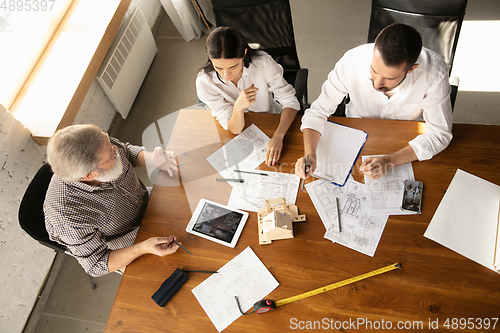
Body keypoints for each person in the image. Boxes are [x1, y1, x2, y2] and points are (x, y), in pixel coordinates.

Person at [295, 23, 453, 180]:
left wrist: (389, 160)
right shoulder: (352, 62)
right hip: (357, 129)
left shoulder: (434, 74)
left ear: (412, 69)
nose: (377, 84)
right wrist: (310, 155)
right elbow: (317, 112)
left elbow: (440, 134)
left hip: (405, 139)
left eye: (389, 78)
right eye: (374, 71)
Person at [44, 124, 181, 277]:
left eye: (110, 143)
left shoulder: (102, 146)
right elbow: (96, 264)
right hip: (130, 239)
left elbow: (126, 151)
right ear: (89, 175)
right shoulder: (65, 215)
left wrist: (153, 159)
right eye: (111, 155)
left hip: (150, 202)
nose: (115, 150)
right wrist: (142, 248)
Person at [196, 26, 300, 166]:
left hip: (272, 122)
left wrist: (279, 135)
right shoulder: (205, 82)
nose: (226, 75)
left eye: (233, 66)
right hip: (241, 134)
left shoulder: (263, 64)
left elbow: (290, 101)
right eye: (219, 68)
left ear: (244, 53)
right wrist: (238, 108)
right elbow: (234, 129)